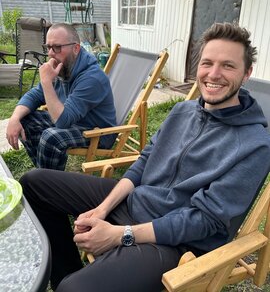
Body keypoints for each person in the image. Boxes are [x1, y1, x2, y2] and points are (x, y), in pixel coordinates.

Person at [20, 22, 270, 292]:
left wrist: (119, 236)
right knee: (34, 183)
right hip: (137, 202)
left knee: (74, 289)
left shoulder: (255, 144)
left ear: (246, 74)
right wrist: (102, 209)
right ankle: (66, 272)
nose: (214, 74)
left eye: (228, 66)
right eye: (207, 63)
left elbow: (205, 220)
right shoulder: (182, 112)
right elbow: (141, 165)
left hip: (175, 242)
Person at [6, 23, 116, 171]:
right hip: (72, 118)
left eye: (57, 47)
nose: (51, 53)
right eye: (48, 47)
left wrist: (46, 82)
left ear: (75, 48)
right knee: (24, 119)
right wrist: (14, 118)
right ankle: (45, 173)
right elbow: (35, 95)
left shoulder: (92, 78)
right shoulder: (63, 65)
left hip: (97, 131)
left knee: (51, 137)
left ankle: (49, 182)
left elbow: (62, 122)